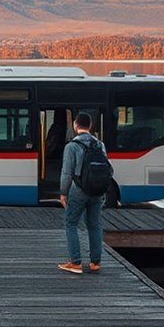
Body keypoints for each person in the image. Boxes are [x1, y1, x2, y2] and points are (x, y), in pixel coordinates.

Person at [57, 112, 106, 275]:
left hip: (78, 190)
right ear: (90, 126)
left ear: (75, 125)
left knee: (71, 223)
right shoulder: (100, 145)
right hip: (97, 190)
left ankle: (76, 262)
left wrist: (63, 193)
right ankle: (95, 262)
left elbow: (67, 172)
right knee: (94, 224)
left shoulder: (71, 146)